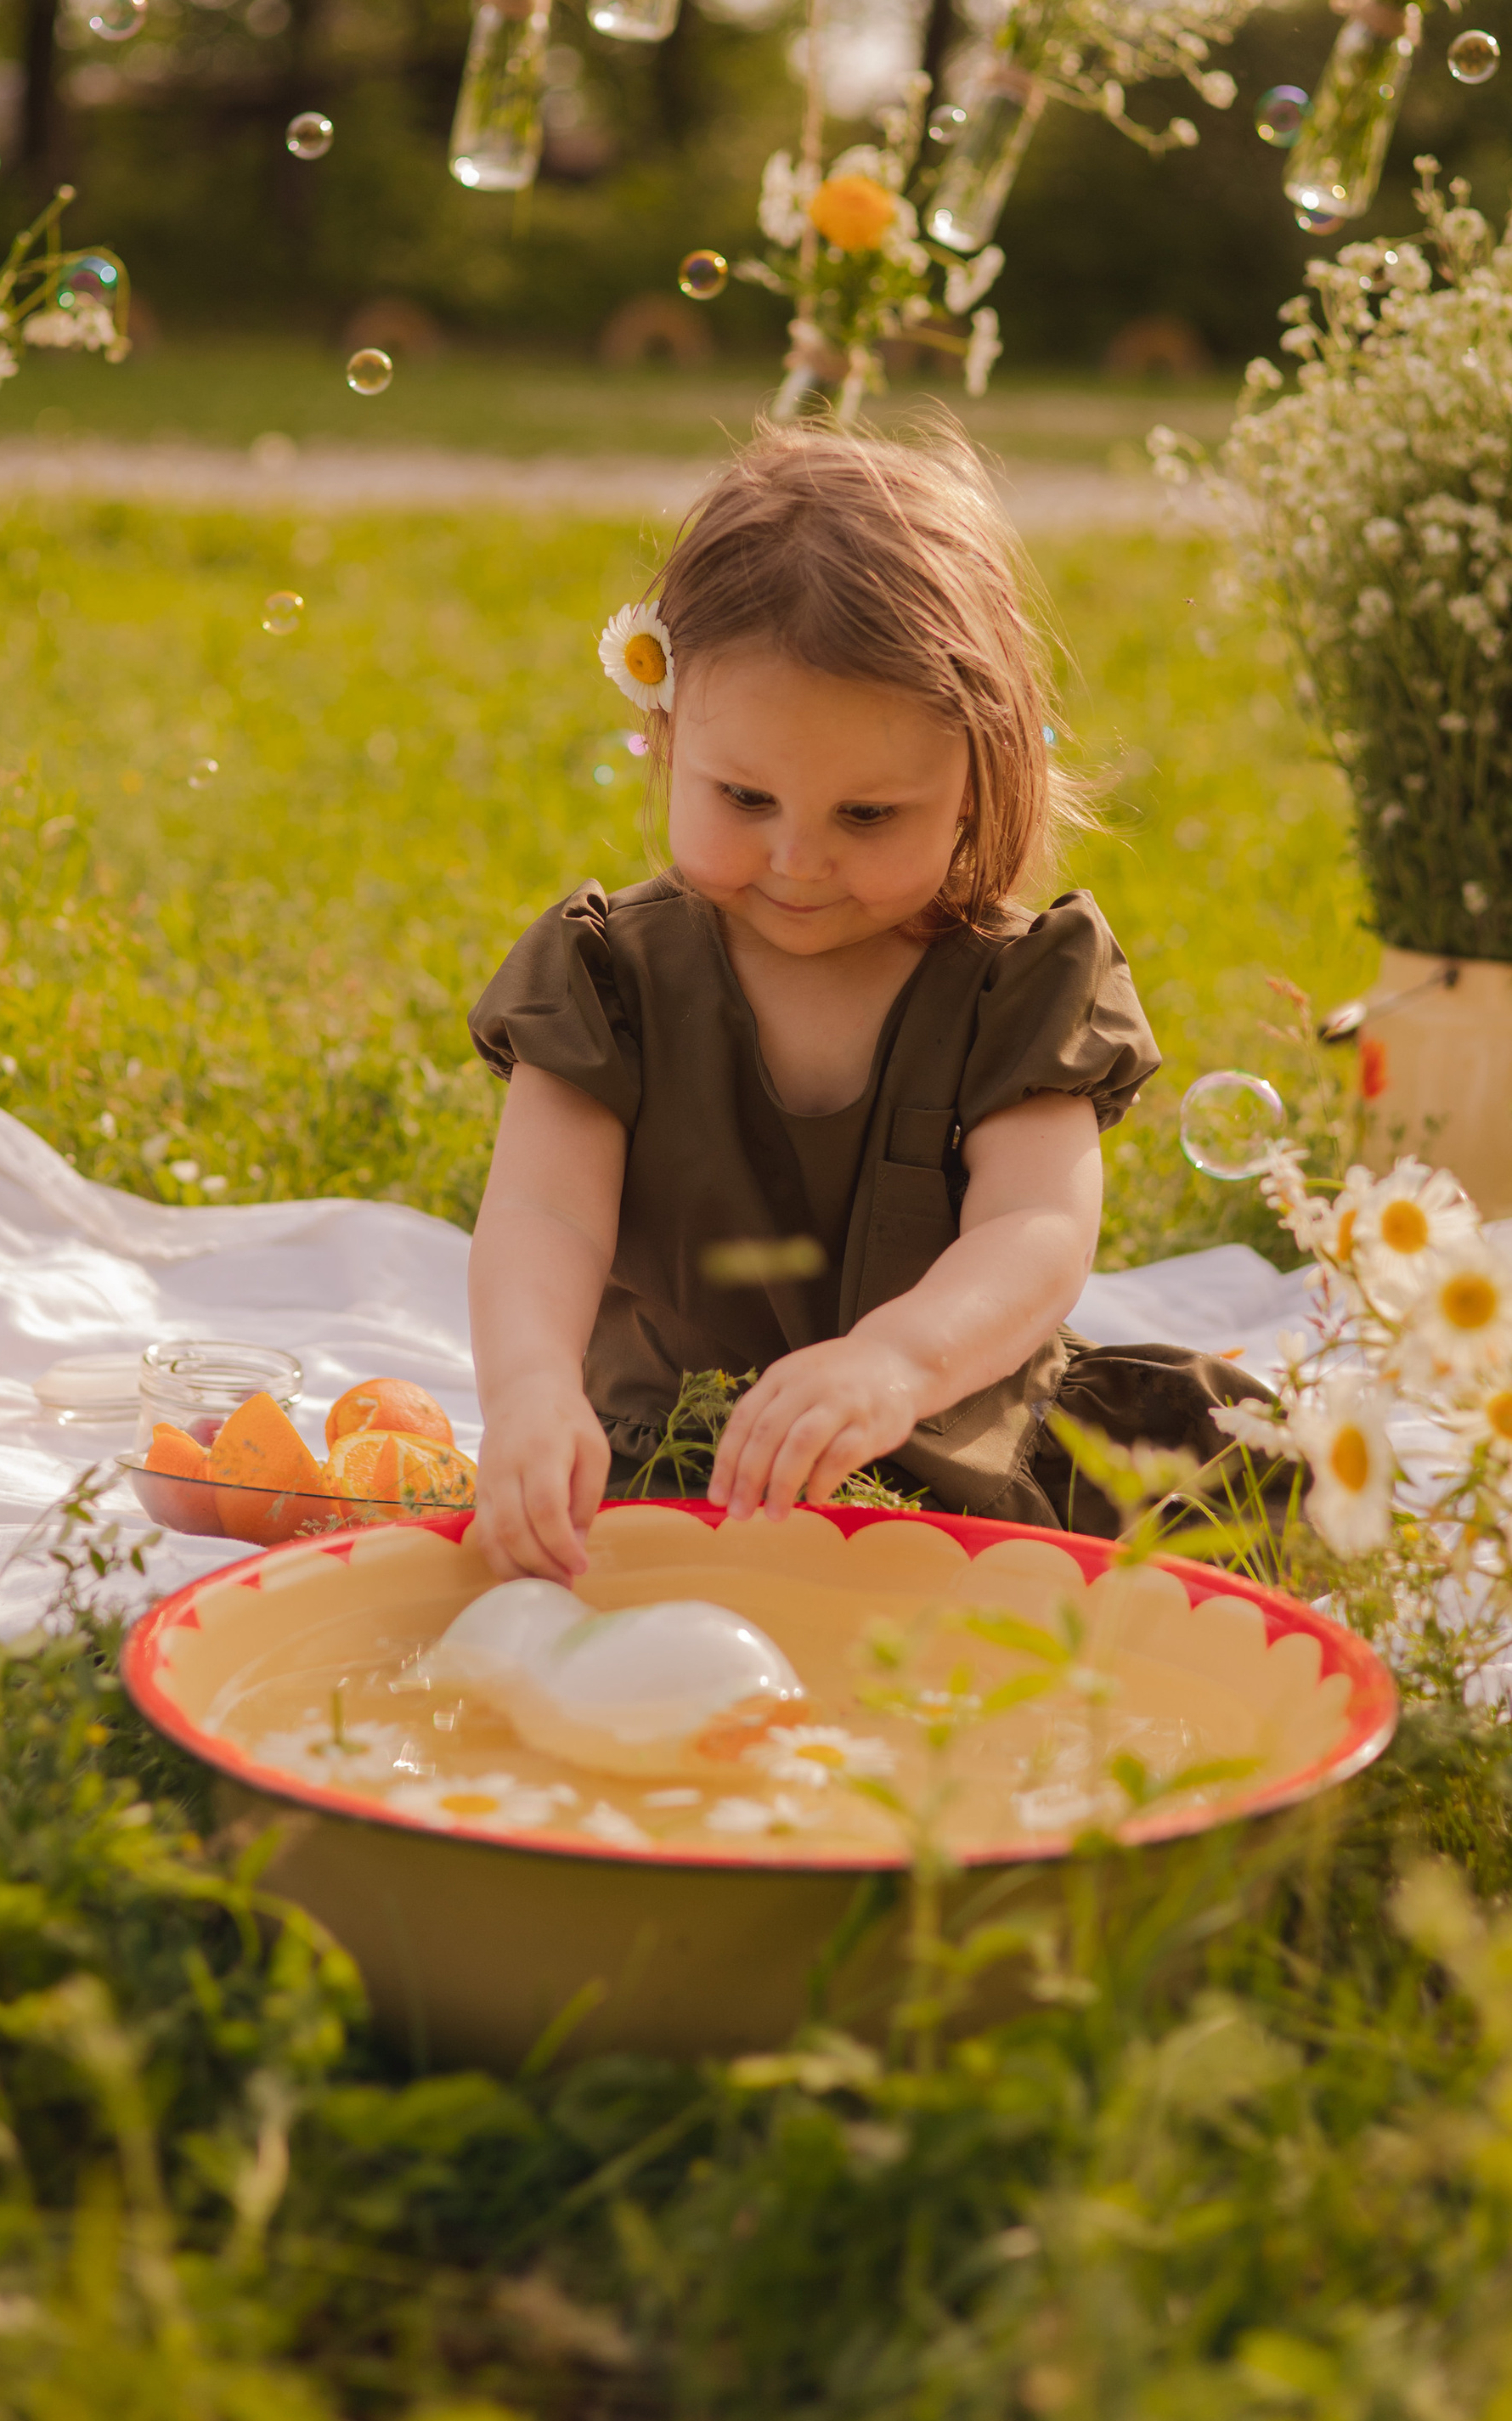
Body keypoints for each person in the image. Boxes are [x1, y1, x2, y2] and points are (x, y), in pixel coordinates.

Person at [465, 418, 1263, 1584]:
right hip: (674, 1451)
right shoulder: (612, 979)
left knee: (1241, 1481)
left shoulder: (1015, 985)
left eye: (869, 815)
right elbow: (544, 1216)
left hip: (942, 1442)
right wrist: (533, 1394)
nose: (797, 858)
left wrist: (897, 1363)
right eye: (745, 797)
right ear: (664, 737)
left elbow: (1034, 1228)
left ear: (979, 783)